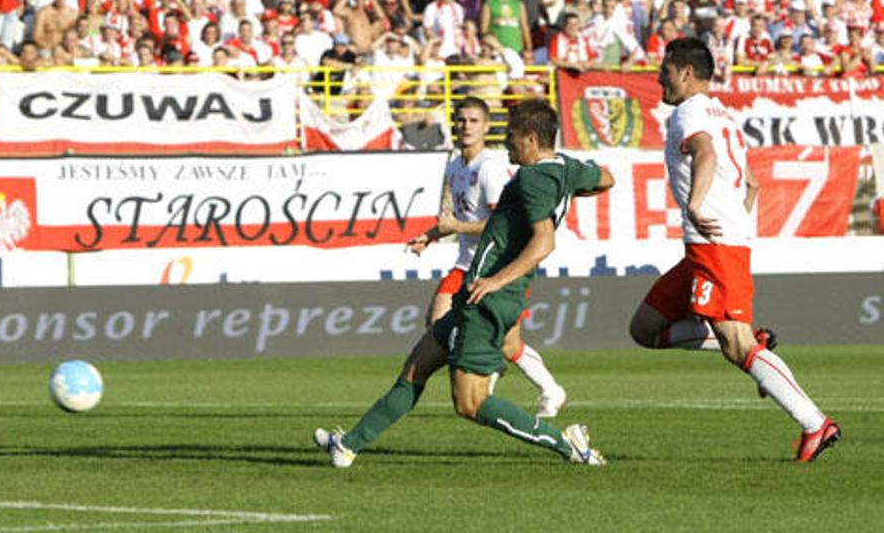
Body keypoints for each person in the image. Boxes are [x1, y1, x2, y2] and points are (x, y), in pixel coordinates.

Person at [314, 98, 615, 468]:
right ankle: (347, 446)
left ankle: (567, 442)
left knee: (470, 404)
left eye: (512, 136)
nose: (506, 143)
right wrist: (566, 191)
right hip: (474, 294)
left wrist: (495, 280)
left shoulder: (534, 178)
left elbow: (544, 241)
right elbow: (606, 178)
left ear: (532, 140)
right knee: (416, 367)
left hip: (489, 298)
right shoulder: (565, 167)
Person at [628, 37, 840, 463]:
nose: (658, 79)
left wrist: (695, 205)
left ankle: (814, 423)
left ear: (685, 72)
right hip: (708, 245)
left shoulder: (689, 113)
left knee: (736, 346)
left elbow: (704, 153)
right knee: (645, 329)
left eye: (665, 71)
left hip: (715, 245)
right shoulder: (724, 113)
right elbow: (753, 184)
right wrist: (733, 221)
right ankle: (755, 342)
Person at [405, 97, 569, 418]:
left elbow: (501, 225)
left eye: (474, 121)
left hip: (495, 267)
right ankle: (538, 386)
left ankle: (496, 380)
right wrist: (431, 235)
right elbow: (458, 220)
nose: (466, 126)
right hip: (466, 264)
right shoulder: (455, 165)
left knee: (486, 338)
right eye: (461, 120)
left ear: (486, 127)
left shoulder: (490, 168)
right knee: (447, 327)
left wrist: (455, 226)